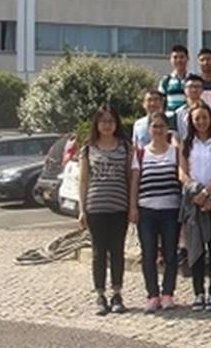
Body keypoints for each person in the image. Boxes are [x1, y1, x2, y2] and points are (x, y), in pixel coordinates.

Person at [78, 105, 134, 316]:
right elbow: (83, 180)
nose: (107, 125)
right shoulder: (88, 148)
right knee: (98, 253)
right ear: (97, 124)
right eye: (103, 121)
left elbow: (130, 177)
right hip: (96, 207)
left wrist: (132, 205)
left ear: (116, 123)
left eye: (111, 121)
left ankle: (117, 293)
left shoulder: (125, 147)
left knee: (117, 251)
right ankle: (100, 294)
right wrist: (82, 209)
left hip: (119, 207)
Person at [177, 102, 211, 311]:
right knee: (195, 247)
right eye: (197, 118)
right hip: (193, 201)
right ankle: (198, 292)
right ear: (191, 121)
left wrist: (206, 193)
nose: (201, 122)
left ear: (210, 119)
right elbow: (182, 173)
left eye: (204, 117)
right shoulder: (186, 143)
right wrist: (197, 192)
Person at [130, 113, 181, 313]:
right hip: (147, 210)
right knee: (149, 253)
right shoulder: (141, 154)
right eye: (154, 126)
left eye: (161, 126)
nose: (158, 130)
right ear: (149, 129)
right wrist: (133, 207)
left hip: (171, 210)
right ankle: (152, 295)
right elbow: (135, 182)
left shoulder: (175, 152)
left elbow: (181, 177)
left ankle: (168, 293)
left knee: (171, 253)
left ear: (167, 129)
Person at [159, 44, 189, 116]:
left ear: (187, 58)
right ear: (171, 60)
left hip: (188, 117)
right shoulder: (165, 80)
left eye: (181, 57)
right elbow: (160, 102)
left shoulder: (193, 79)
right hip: (170, 117)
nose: (178, 60)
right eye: (175, 57)